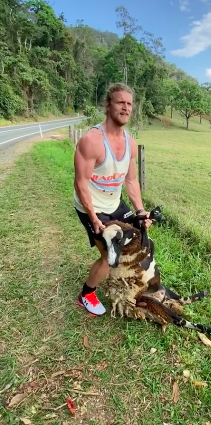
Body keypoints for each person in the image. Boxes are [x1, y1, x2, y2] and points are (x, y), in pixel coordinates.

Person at [73, 83, 152, 317]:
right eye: (120, 102)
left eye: (129, 104)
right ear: (108, 106)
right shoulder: (92, 140)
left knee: (140, 235)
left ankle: (129, 281)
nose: (126, 108)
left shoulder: (130, 143)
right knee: (109, 255)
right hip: (92, 206)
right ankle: (86, 295)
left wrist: (140, 211)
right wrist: (94, 218)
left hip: (114, 203)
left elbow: (131, 181)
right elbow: (80, 183)